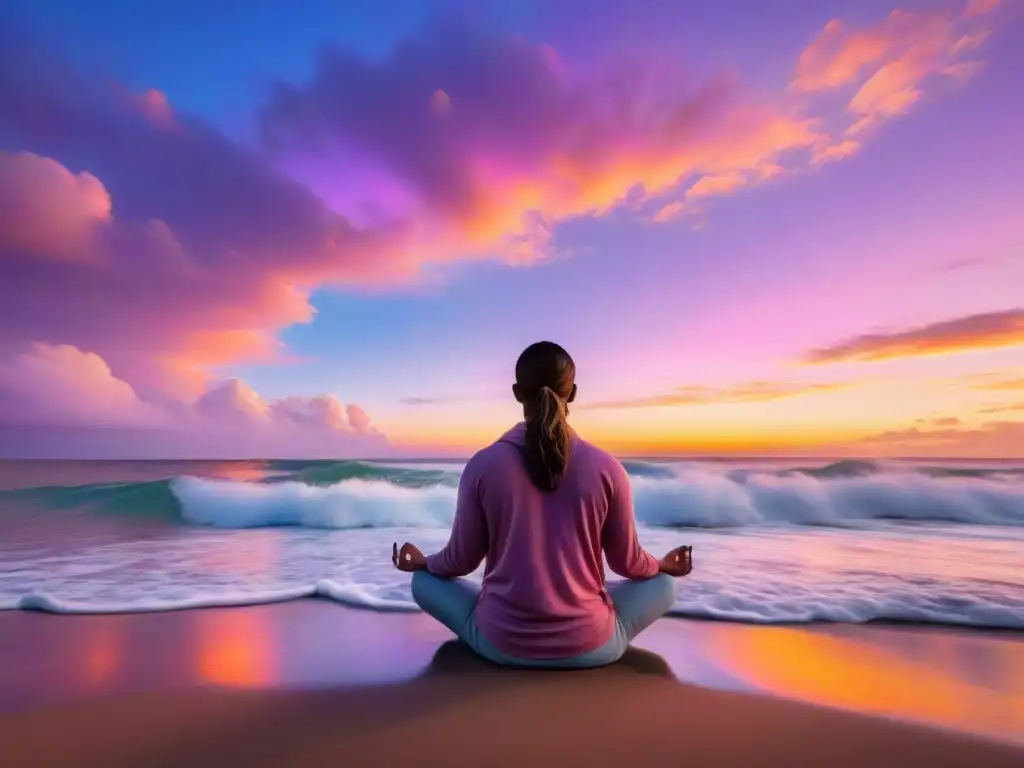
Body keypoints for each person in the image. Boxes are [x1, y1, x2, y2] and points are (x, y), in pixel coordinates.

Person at [392, 341, 693, 669]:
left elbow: (460, 560)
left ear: (517, 393)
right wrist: (663, 565)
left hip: (500, 645)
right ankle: (589, 618)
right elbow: (629, 564)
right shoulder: (608, 468)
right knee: (664, 585)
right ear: (573, 393)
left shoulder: (483, 464)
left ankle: (498, 622)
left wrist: (423, 563)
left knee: (423, 582)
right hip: (593, 647)